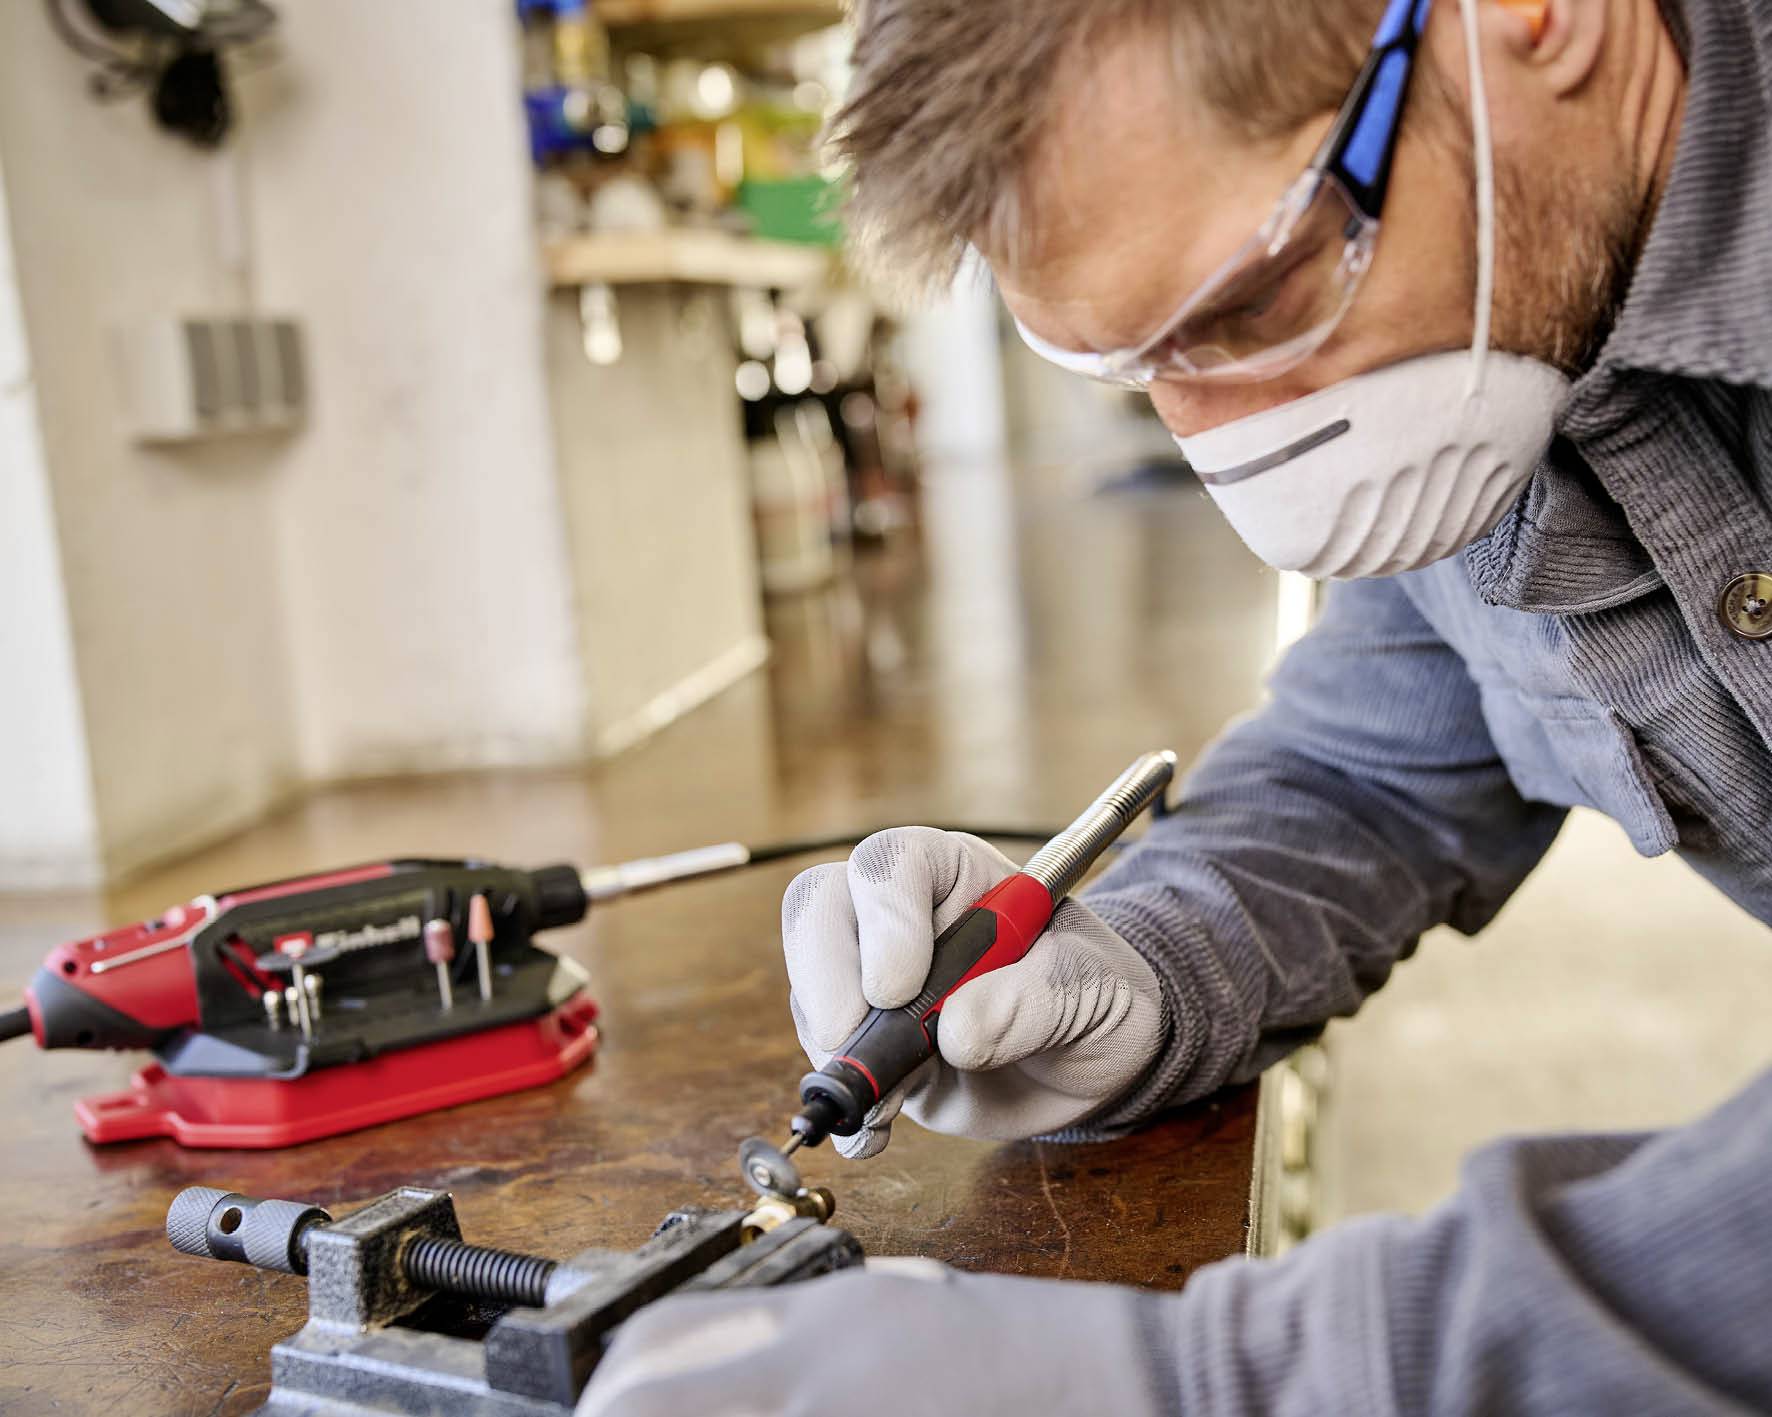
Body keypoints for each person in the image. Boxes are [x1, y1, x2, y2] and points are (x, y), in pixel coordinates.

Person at [579, 0, 1772, 1410]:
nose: (1241, 453)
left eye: (1252, 308)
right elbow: (1380, 767)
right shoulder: (1492, 306)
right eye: (1139, 368)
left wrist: (1233, 1377)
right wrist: (1141, 970)